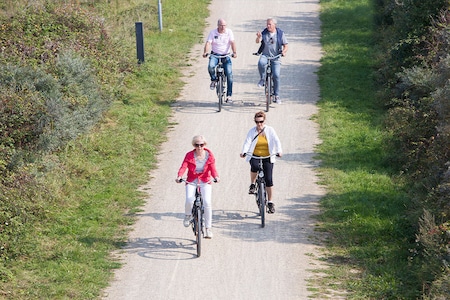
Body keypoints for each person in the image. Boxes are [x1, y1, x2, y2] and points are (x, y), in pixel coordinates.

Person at [176, 135, 220, 238]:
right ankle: (188, 215)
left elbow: (213, 168)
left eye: (201, 145)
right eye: (197, 145)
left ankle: (208, 228)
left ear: (205, 145)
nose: (199, 147)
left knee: (207, 203)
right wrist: (179, 176)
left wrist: (216, 177)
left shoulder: (209, 155)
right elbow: (183, 166)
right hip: (192, 180)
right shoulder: (189, 155)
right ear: (194, 145)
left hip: (205, 180)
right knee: (189, 199)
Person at [240, 111, 282, 213]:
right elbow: (248, 141)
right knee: (254, 166)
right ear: (255, 122)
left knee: (269, 179)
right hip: (255, 155)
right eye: (257, 122)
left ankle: (270, 202)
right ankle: (253, 184)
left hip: (268, 156)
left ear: (264, 121)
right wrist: (244, 152)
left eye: (261, 121)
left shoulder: (270, 130)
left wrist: (279, 150)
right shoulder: (252, 131)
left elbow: (276, 140)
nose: (259, 124)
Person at [203, 18, 237, 103]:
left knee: (229, 74)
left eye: (224, 25)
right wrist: (205, 52)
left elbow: (232, 42)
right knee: (211, 66)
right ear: (218, 25)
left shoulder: (229, 32)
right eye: (221, 25)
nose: (223, 27)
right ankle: (213, 80)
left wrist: (234, 52)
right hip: (215, 55)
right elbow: (208, 43)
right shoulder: (213, 32)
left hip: (226, 55)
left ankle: (229, 95)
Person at [255, 18, 288, 104]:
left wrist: (284, 52)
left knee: (276, 75)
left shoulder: (280, 34)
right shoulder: (264, 33)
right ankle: (262, 79)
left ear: (274, 25)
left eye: (270, 24)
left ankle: (276, 95)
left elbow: (286, 45)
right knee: (261, 63)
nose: (268, 26)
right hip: (265, 55)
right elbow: (257, 41)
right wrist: (258, 38)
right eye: (267, 24)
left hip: (276, 57)